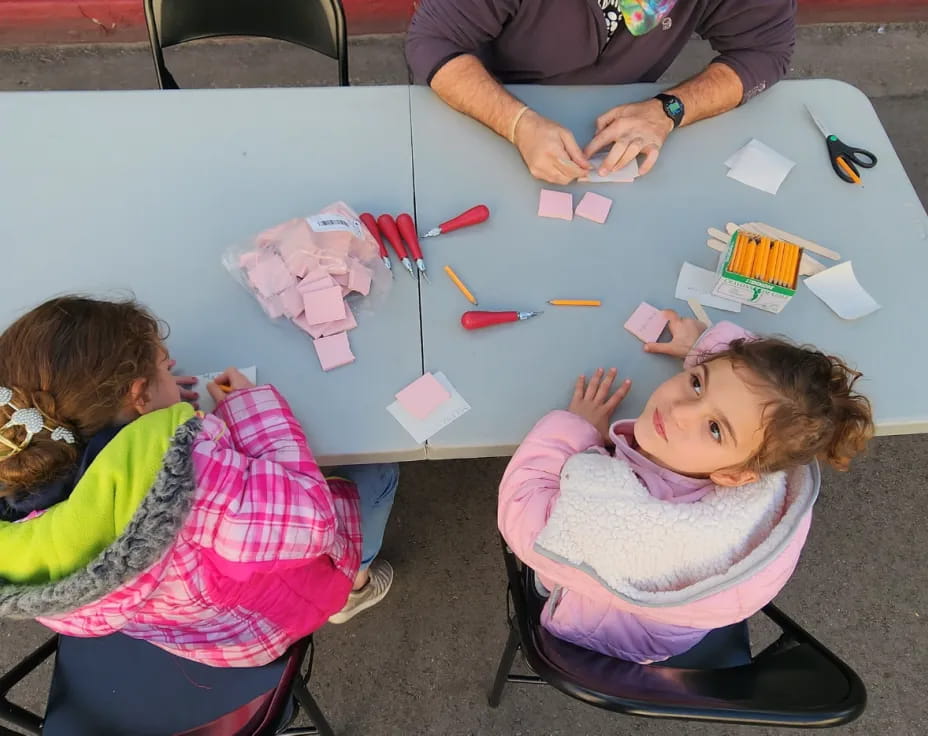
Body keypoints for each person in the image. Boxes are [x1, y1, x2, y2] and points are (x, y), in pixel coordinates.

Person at [0, 296, 396, 667]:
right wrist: (250, 410)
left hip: (193, 635)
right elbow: (313, 519)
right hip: (260, 624)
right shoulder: (193, 484)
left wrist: (160, 412)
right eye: (164, 365)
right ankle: (353, 589)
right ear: (139, 396)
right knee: (380, 471)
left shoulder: (20, 498)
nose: (172, 368)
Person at [498, 312, 873, 663]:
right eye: (697, 383)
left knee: (550, 560)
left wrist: (575, 429)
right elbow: (763, 382)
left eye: (714, 429)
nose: (680, 411)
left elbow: (523, 514)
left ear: (735, 476)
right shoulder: (771, 453)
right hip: (683, 615)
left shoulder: (634, 531)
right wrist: (704, 345)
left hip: (599, 626)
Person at [406, 0, 797, 184]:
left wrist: (671, 108)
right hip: (486, 112)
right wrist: (516, 122)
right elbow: (433, 44)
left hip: (626, 129)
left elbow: (765, 51)